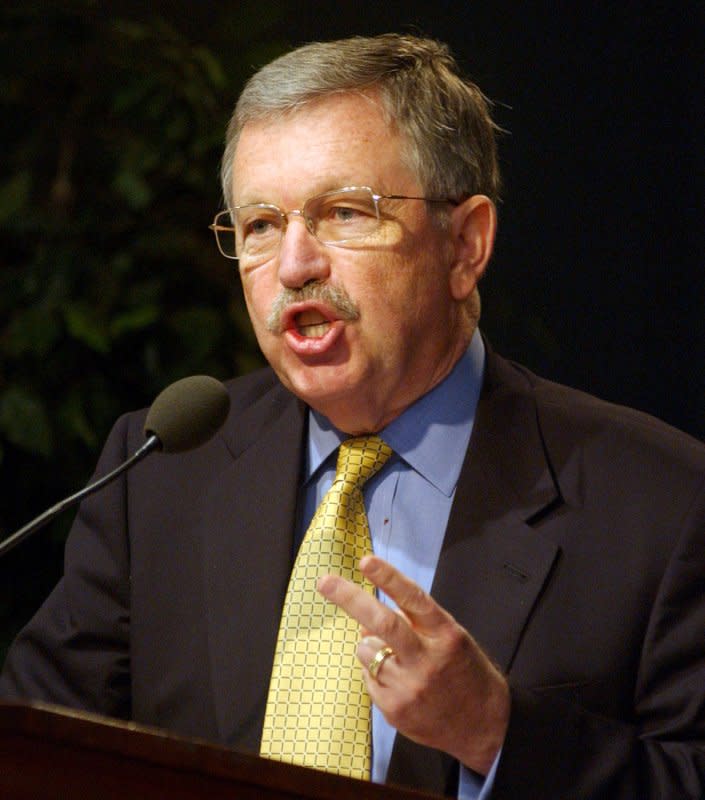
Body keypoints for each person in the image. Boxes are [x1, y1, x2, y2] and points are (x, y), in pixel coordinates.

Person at [2, 33, 704, 799]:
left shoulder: (661, 503)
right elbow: (32, 743)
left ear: (465, 244)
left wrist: (496, 733)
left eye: (342, 212)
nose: (294, 264)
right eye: (261, 225)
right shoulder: (163, 470)